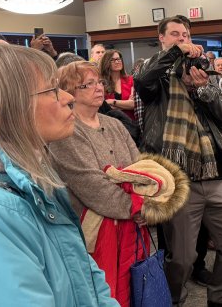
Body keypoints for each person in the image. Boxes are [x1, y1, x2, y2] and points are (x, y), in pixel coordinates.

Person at [0, 43, 117, 306]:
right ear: (6, 114)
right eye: (52, 90)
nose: (68, 97)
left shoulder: (32, 182)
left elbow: (85, 278)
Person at [49, 61, 189, 306]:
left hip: (131, 228)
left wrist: (147, 205)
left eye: (99, 82)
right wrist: (137, 208)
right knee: (104, 292)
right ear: (69, 92)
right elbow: (92, 185)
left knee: (135, 287)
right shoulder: (67, 131)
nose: (98, 88)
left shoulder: (113, 123)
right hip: (96, 233)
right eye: (87, 84)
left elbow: (140, 169)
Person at [135, 16, 222, 307]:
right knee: (182, 257)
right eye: (175, 34)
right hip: (178, 178)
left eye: (186, 34)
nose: (182, 38)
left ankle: (220, 296)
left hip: (213, 173)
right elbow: (142, 82)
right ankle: (172, 299)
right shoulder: (154, 73)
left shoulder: (201, 72)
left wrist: (205, 91)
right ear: (162, 38)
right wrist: (176, 52)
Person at [101, 49, 136, 121]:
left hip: (131, 123)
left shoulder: (131, 80)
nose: (117, 62)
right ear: (106, 63)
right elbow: (104, 108)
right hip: (111, 123)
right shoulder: (101, 83)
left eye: (118, 59)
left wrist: (112, 102)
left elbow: (133, 104)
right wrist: (125, 105)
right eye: (113, 60)